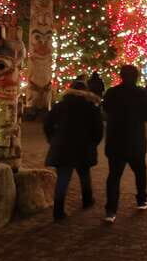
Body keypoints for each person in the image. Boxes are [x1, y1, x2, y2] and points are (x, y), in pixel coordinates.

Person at [44, 80, 103, 222]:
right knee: (84, 174)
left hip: (63, 146)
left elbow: (47, 124)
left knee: (63, 179)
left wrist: (53, 139)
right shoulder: (91, 107)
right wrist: (93, 143)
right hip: (83, 146)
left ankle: (58, 211)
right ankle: (87, 200)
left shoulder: (60, 106)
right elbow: (98, 129)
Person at [102, 64, 147, 223]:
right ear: (136, 77)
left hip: (116, 140)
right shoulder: (141, 94)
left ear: (121, 75)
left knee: (114, 176)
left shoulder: (112, 93)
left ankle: (111, 211)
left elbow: (105, 111)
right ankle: (141, 199)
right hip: (135, 141)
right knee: (140, 171)